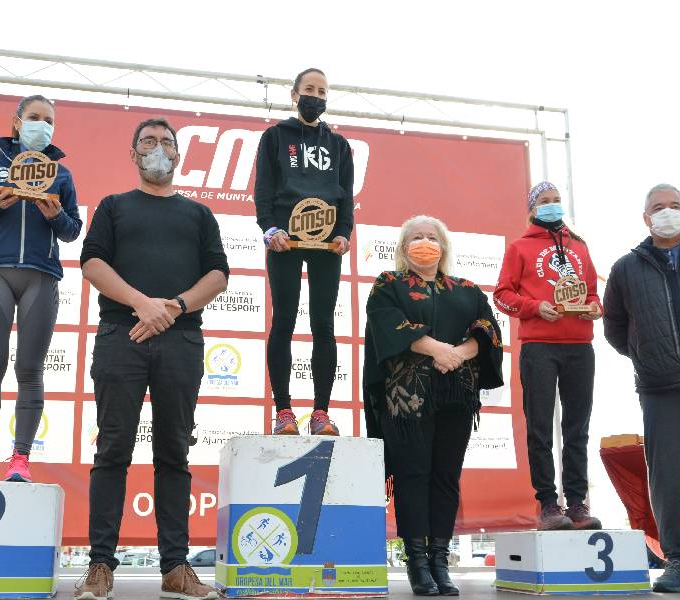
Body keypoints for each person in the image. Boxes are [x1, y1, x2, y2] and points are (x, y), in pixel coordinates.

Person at [74, 118, 228, 600]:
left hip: (181, 339)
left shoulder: (199, 214)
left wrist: (174, 306)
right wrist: (141, 302)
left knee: (174, 454)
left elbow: (219, 274)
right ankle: (100, 566)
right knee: (112, 450)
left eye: (167, 143)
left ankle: (176, 567)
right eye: (149, 142)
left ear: (178, 156)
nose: (158, 149)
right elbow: (92, 262)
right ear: (134, 154)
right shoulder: (113, 207)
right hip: (123, 334)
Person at [364, 215, 503, 596]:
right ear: (402, 246)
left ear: (443, 246)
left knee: (445, 477)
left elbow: (488, 331)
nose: (424, 242)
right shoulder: (388, 283)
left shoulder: (467, 288)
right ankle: (417, 563)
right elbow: (386, 324)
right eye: (415, 237)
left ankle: (441, 561)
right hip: (407, 399)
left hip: (456, 395)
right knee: (413, 476)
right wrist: (438, 348)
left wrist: (458, 354)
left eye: (431, 237)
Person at [0, 94, 82, 483]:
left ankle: (20, 460)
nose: (41, 125)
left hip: (41, 276)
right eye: (34, 117)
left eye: (49, 120)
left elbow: (72, 231)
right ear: (17, 122)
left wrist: (56, 214)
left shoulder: (60, 174)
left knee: (30, 369)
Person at [603, 183, 680, 593]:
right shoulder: (626, 268)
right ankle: (678, 561)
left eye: (674, 206)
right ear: (646, 219)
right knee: (664, 476)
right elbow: (614, 328)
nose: (667, 212)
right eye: (658, 208)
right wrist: (649, 356)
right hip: (661, 385)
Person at [493, 181, 602, 531]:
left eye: (556, 200)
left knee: (577, 428)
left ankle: (577, 503)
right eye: (544, 201)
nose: (552, 206)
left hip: (580, 346)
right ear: (532, 209)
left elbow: (593, 292)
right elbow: (502, 295)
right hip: (539, 346)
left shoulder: (580, 245)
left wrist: (595, 308)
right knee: (540, 427)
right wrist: (535, 307)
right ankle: (547, 504)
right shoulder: (520, 247)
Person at [254, 67, 354, 436]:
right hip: (286, 239)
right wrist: (270, 228)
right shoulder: (275, 137)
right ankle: (283, 411)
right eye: (309, 89)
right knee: (284, 321)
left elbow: (347, 197)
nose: (316, 95)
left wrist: (344, 233)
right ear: (294, 95)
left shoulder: (339, 145)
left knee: (323, 325)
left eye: (323, 91)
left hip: (326, 243)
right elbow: (264, 190)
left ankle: (321, 413)